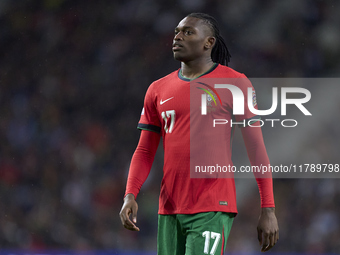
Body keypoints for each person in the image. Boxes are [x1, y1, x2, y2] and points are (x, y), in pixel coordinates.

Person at [119, 13, 279, 254]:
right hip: (170, 208)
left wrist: (268, 209)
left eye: (188, 32)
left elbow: (256, 148)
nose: (178, 37)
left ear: (209, 43)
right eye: (176, 31)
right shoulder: (157, 89)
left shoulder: (235, 83)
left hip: (212, 205)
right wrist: (130, 194)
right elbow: (144, 150)